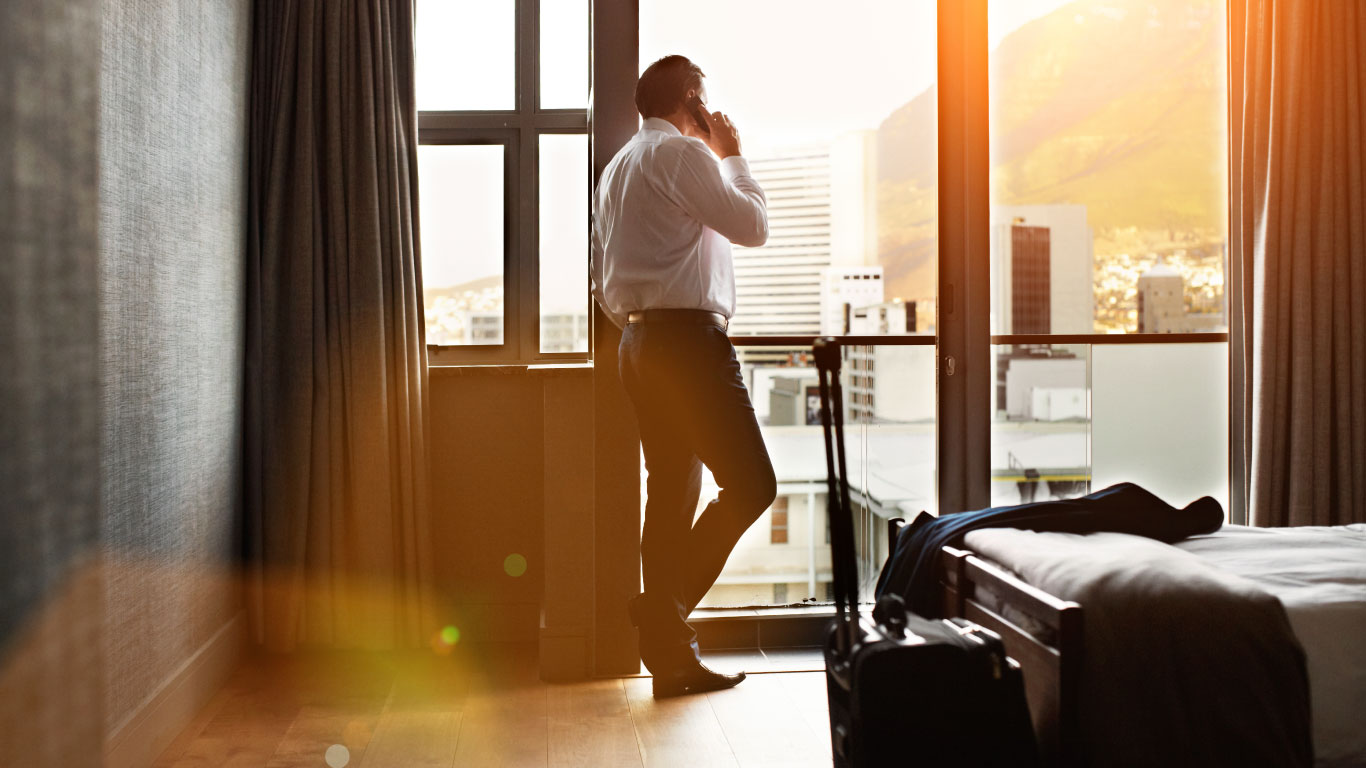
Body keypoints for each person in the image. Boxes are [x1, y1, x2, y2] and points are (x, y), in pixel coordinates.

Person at [590, 55, 776, 697]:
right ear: (693, 98)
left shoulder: (616, 170)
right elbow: (752, 227)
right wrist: (731, 153)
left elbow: (603, 279)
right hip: (689, 344)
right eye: (705, 96)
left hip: (637, 342)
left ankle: (670, 660)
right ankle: (661, 615)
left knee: (669, 494)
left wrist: (642, 325)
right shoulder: (686, 157)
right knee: (752, 484)